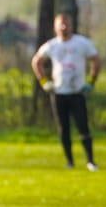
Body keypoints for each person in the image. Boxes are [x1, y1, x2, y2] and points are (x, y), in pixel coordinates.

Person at [31, 13, 101, 171]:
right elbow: (36, 62)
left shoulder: (81, 43)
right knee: (63, 129)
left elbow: (96, 60)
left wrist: (91, 81)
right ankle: (70, 162)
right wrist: (44, 82)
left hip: (77, 92)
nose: (64, 27)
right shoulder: (52, 45)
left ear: (71, 25)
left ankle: (90, 161)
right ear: (55, 27)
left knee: (83, 126)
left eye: (66, 24)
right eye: (60, 24)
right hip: (59, 92)